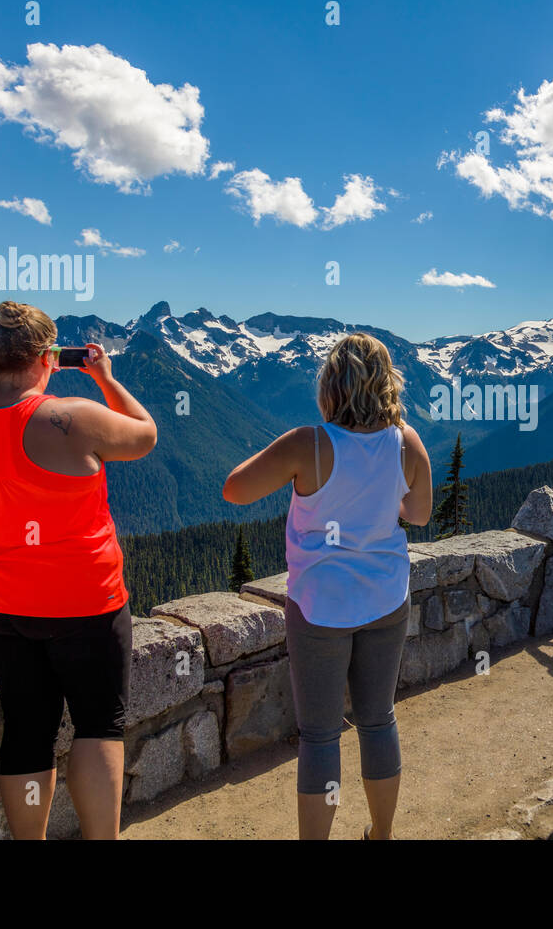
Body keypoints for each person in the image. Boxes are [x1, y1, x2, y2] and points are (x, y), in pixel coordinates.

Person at [0, 301, 157, 839]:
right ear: (48, 357)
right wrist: (105, 378)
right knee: (99, 725)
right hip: (81, 599)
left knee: (28, 726)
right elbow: (144, 435)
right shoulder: (73, 416)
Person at [223, 333, 432, 840]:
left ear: (330, 388)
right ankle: (381, 834)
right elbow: (420, 514)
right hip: (386, 597)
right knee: (377, 719)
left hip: (319, 605)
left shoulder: (309, 444)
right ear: (386, 384)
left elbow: (234, 489)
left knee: (320, 735)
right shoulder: (406, 441)